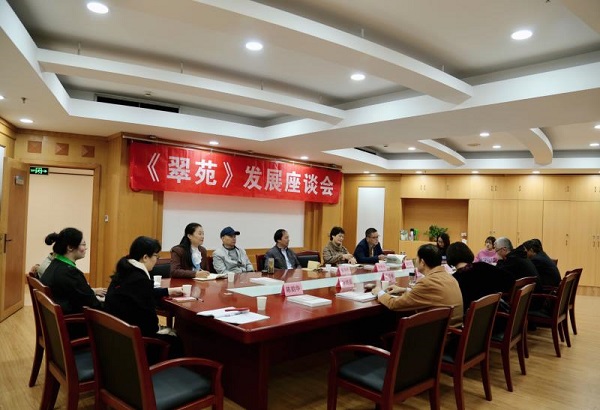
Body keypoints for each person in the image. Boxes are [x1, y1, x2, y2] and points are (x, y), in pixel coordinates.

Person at [105, 236, 184, 361]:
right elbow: (151, 324)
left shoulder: (125, 271)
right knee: (176, 340)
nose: (157, 260)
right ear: (145, 257)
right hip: (136, 344)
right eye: (156, 256)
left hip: (117, 336)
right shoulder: (140, 279)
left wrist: (168, 291)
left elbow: (139, 293)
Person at [371, 244, 463, 326]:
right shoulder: (450, 278)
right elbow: (432, 294)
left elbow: (394, 304)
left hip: (436, 336)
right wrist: (404, 290)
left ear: (422, 262)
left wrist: (379, 292)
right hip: (452, 332)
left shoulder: (427, 282)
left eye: (417, 258)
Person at [40, 228, 105, 315]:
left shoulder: (55, 264)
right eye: (83, 244)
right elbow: (93, 304)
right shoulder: (70, 273)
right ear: (70, 247)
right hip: (73, 320)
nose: (86, 248)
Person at [446, 242, 514, 313]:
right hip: (493, 314)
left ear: (449, 258)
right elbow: (509, 279)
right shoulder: (483, 266)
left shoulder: (454, 280)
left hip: (470, 317)